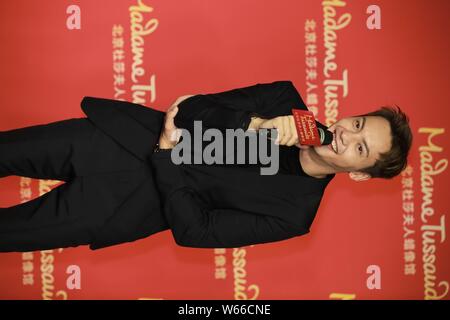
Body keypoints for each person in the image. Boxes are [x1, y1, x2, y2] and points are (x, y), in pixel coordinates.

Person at [0, 81, 412, 252]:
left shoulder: (293, 214)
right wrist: (258, 125)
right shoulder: (285, 101)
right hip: (111, 138)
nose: (344, 136)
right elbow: (193, 107)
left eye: (360, 149)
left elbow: (196, 231)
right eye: (356, 125)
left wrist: (166, 156)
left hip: (117, 208)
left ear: (359, 173)